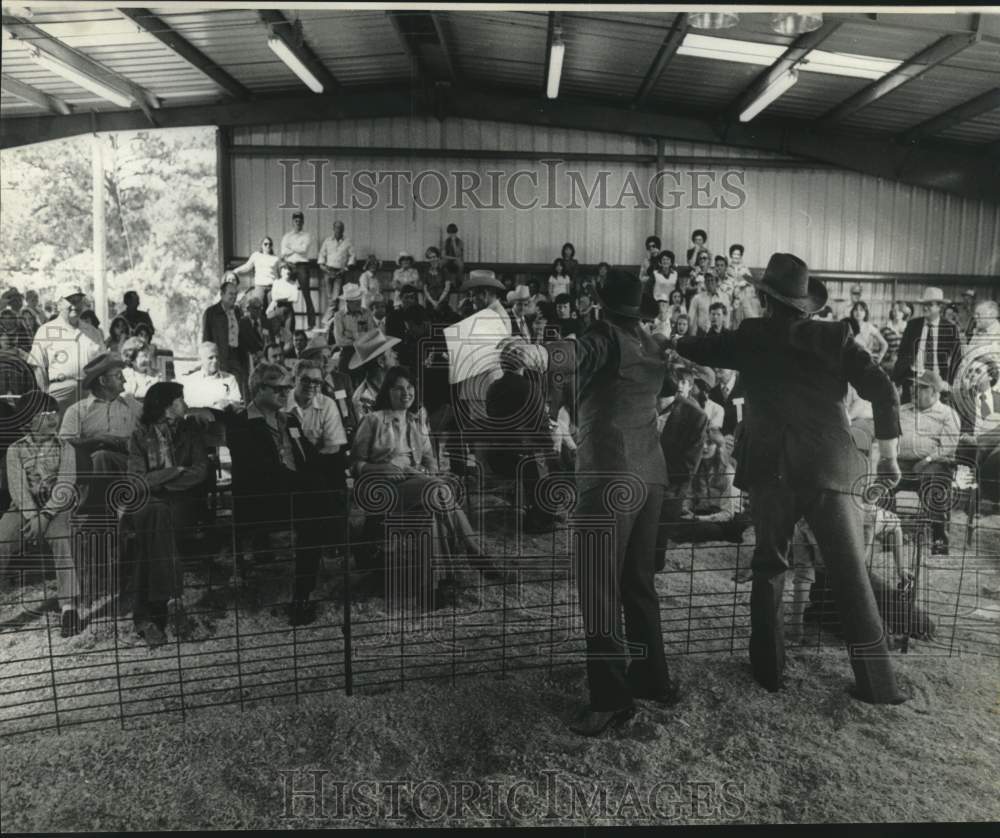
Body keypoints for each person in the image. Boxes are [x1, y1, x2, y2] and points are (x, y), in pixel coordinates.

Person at [673, 252, 908, 705]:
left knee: (770, 568)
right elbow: (883, 388)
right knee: (850, 574)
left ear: (764, 299)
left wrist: (670, 340)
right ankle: (879, 686)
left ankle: (769, 671)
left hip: (771, 469)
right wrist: (889, 455)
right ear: (806, 305)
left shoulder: (750, 335)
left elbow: (699, 347)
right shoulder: (835, 336)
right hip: (828, 468)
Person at [541, 270, 677, 736]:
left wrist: (537, 350)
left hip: (607, 476)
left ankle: (611, 699)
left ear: (599, 305)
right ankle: (653, 679)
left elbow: (575, 352)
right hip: (650, 473)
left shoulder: (602, 336)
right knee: (639, 585)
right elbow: (670, 390)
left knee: (599, 588)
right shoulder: (655, 343)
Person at [351, 367, 488, 604]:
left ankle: (432, 589)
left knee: (431, 512)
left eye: (410, 387)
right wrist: (381, 468)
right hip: (381, 487)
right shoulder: (373, 420)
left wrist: (424, 471)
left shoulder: (416, 421)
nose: (406, 393)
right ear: (388, 392)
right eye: (399, 388)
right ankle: (474, 550)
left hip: (416, 484)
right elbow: (355, 463)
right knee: (437, 489)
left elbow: (430, 460)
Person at [217, 362, 330, 625]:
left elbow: (309, 457)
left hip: (298, 495)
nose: (285, 392)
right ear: (258, 389)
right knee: (317, 505)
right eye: (277, 388)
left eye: (288, 387)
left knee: (324, 494)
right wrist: (307, 481)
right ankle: (303, 595)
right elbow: (257, 472)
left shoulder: (288, 419)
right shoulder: (241, 423)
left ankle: (303, 593)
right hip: (261, 500)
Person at [126, 381, 207, 646]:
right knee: (157, 515)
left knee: (151, 533)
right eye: (180, 399)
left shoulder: (190, 430)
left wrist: (162, 481)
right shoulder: (141, 434)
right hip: (148, 500)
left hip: (181, 501)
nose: (185, 404)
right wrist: (174, 472)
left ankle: (147, 616)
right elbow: (138, 480)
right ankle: (173, 604)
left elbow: (199, 471)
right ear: (166, 406)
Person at [0, 392, 81, 637]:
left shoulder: (66, 448)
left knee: (60, 540)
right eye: (42, 414)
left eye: (53, 412)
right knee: (2, 537)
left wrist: (45, 516)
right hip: (24, 508)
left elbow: (65, 484)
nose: (51, 418)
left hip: (57, 507)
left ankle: (69, 606)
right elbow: (17, 487)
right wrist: (32, 516)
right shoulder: (15, 450)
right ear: (27, 421)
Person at [897, 370, 962, 554]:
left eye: (920, 388)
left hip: (934, 463)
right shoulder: (902, 410)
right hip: (901, 462)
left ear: (934, 392)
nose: (913, 390)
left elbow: (948, 447)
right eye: (913, 386)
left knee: (934, 478)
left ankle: (939, 536)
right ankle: (889, 533)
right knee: (882, 475)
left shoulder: (947, 414)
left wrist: (926, 460)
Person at [28, 283, 105, 412]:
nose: (75, 305)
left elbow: (103, 365)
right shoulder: (45, 331)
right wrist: (47, 396)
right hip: (59, 395)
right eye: (70, 300)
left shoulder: (93, 332)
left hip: (90, 394)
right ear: (58, 304)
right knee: (62, 431)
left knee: (91, 431)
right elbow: (38, 368)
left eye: (78, 300)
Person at [893, 286, 963, 404]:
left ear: (940, 307)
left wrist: (949, 385)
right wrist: (897, 380)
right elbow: (902, 355)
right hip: (913, 382)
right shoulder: (912, 325)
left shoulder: (950, 328)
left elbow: (957, 360)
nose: (925, 307)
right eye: (924, 304)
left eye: (930, 304)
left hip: (939, 385)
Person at [202, 277, 261, 399]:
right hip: (220, 356)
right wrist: (207, 360)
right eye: (230, 294)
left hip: (236, 356)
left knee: (239, 389)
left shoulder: (238, 312)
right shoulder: (211, 312)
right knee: (220, 389)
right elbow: (206, 339)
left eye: (235, 294)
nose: (233, 297)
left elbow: (244, 336)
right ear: (222, 294)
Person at [279, 211, 317, 328]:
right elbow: (283, 252)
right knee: (286, 294)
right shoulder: (287, 236)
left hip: (302, 266)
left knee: (306, 294)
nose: (298, 223)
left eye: (300, 221)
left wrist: (290, 247)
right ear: (292, 222)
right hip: (289, 265)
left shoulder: (307, 235)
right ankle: (288, 323)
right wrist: (296, 248)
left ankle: (311, 324)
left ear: (303, 222)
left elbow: (304, 250)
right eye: (296, 221)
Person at [181, 342, 243, 410]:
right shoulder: (191, 380)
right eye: (211, 358)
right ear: (200, 359)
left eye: (217, 357)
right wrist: (213, 403)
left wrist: (229, 404)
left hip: (223, 418)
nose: (215, 360)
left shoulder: (230, 379)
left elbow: (237, 403)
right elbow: (187, 404)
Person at [233, 236, 281, 308]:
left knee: (271, 309)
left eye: (270, 244)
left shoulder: (276, 258)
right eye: (265, 244)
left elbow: (279, 274)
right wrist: (236, 270)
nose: (268, 246)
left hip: (272, 287)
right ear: (261, 245)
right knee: (257, 307)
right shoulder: (256, 255)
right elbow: (247, 267)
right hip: (260, 286)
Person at [317, 220, 356, 302]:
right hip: (328, 270)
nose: (339, 229)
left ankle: (330, 315)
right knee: (329, 297)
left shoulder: (347, 242)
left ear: (343, 230)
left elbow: (353, 255)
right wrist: (322, 266)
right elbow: (321, 254)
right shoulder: (327, 241)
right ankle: (333, 314)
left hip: (339, 272)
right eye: (337, 227)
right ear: (333, 229)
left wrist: (346, 268)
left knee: (336, 297)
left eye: (341, 228)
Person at [880, 301, 909, 374]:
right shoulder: (885, 329)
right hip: (888, 361)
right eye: (894, 310)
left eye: (899, 311)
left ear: (904, 312)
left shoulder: (909, 328)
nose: (896, 313)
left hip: (904, 361)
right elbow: (880, 348)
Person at [423, 246, 452, 317]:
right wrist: (433, 302)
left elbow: (447, 288)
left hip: (443, 301)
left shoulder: (444, 271)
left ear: (438, 258)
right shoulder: (426, 272)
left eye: (435, 257)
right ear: (428, 260)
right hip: (430, 301)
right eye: (430, 258)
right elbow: (425, 289)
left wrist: (438, 302)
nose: (433, 259)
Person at [442, 223, 465, 291]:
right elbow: (443, 255)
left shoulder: (460, 242)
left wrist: (454, 242)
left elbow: (458, 254)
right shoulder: (446, 241)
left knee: (460, 264)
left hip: (456, 260)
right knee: (441, 263)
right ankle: (442, 282)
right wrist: (453, 258)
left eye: (453, 233)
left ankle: (458, 282)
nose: (451, 235)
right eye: (450, 233)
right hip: (449, 259)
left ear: (456, 233)